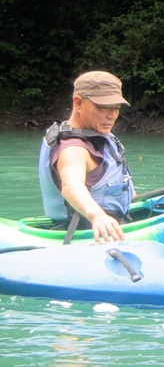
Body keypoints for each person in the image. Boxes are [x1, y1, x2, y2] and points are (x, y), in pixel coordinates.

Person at [37, 71, 134, 243]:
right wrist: (97, 216)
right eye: (103, 107)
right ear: (79, 103)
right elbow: (70, 184)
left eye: (116, 108)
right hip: (83, 233)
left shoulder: (97, 135)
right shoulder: (73, 148)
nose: (112, 115)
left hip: (117, 221)